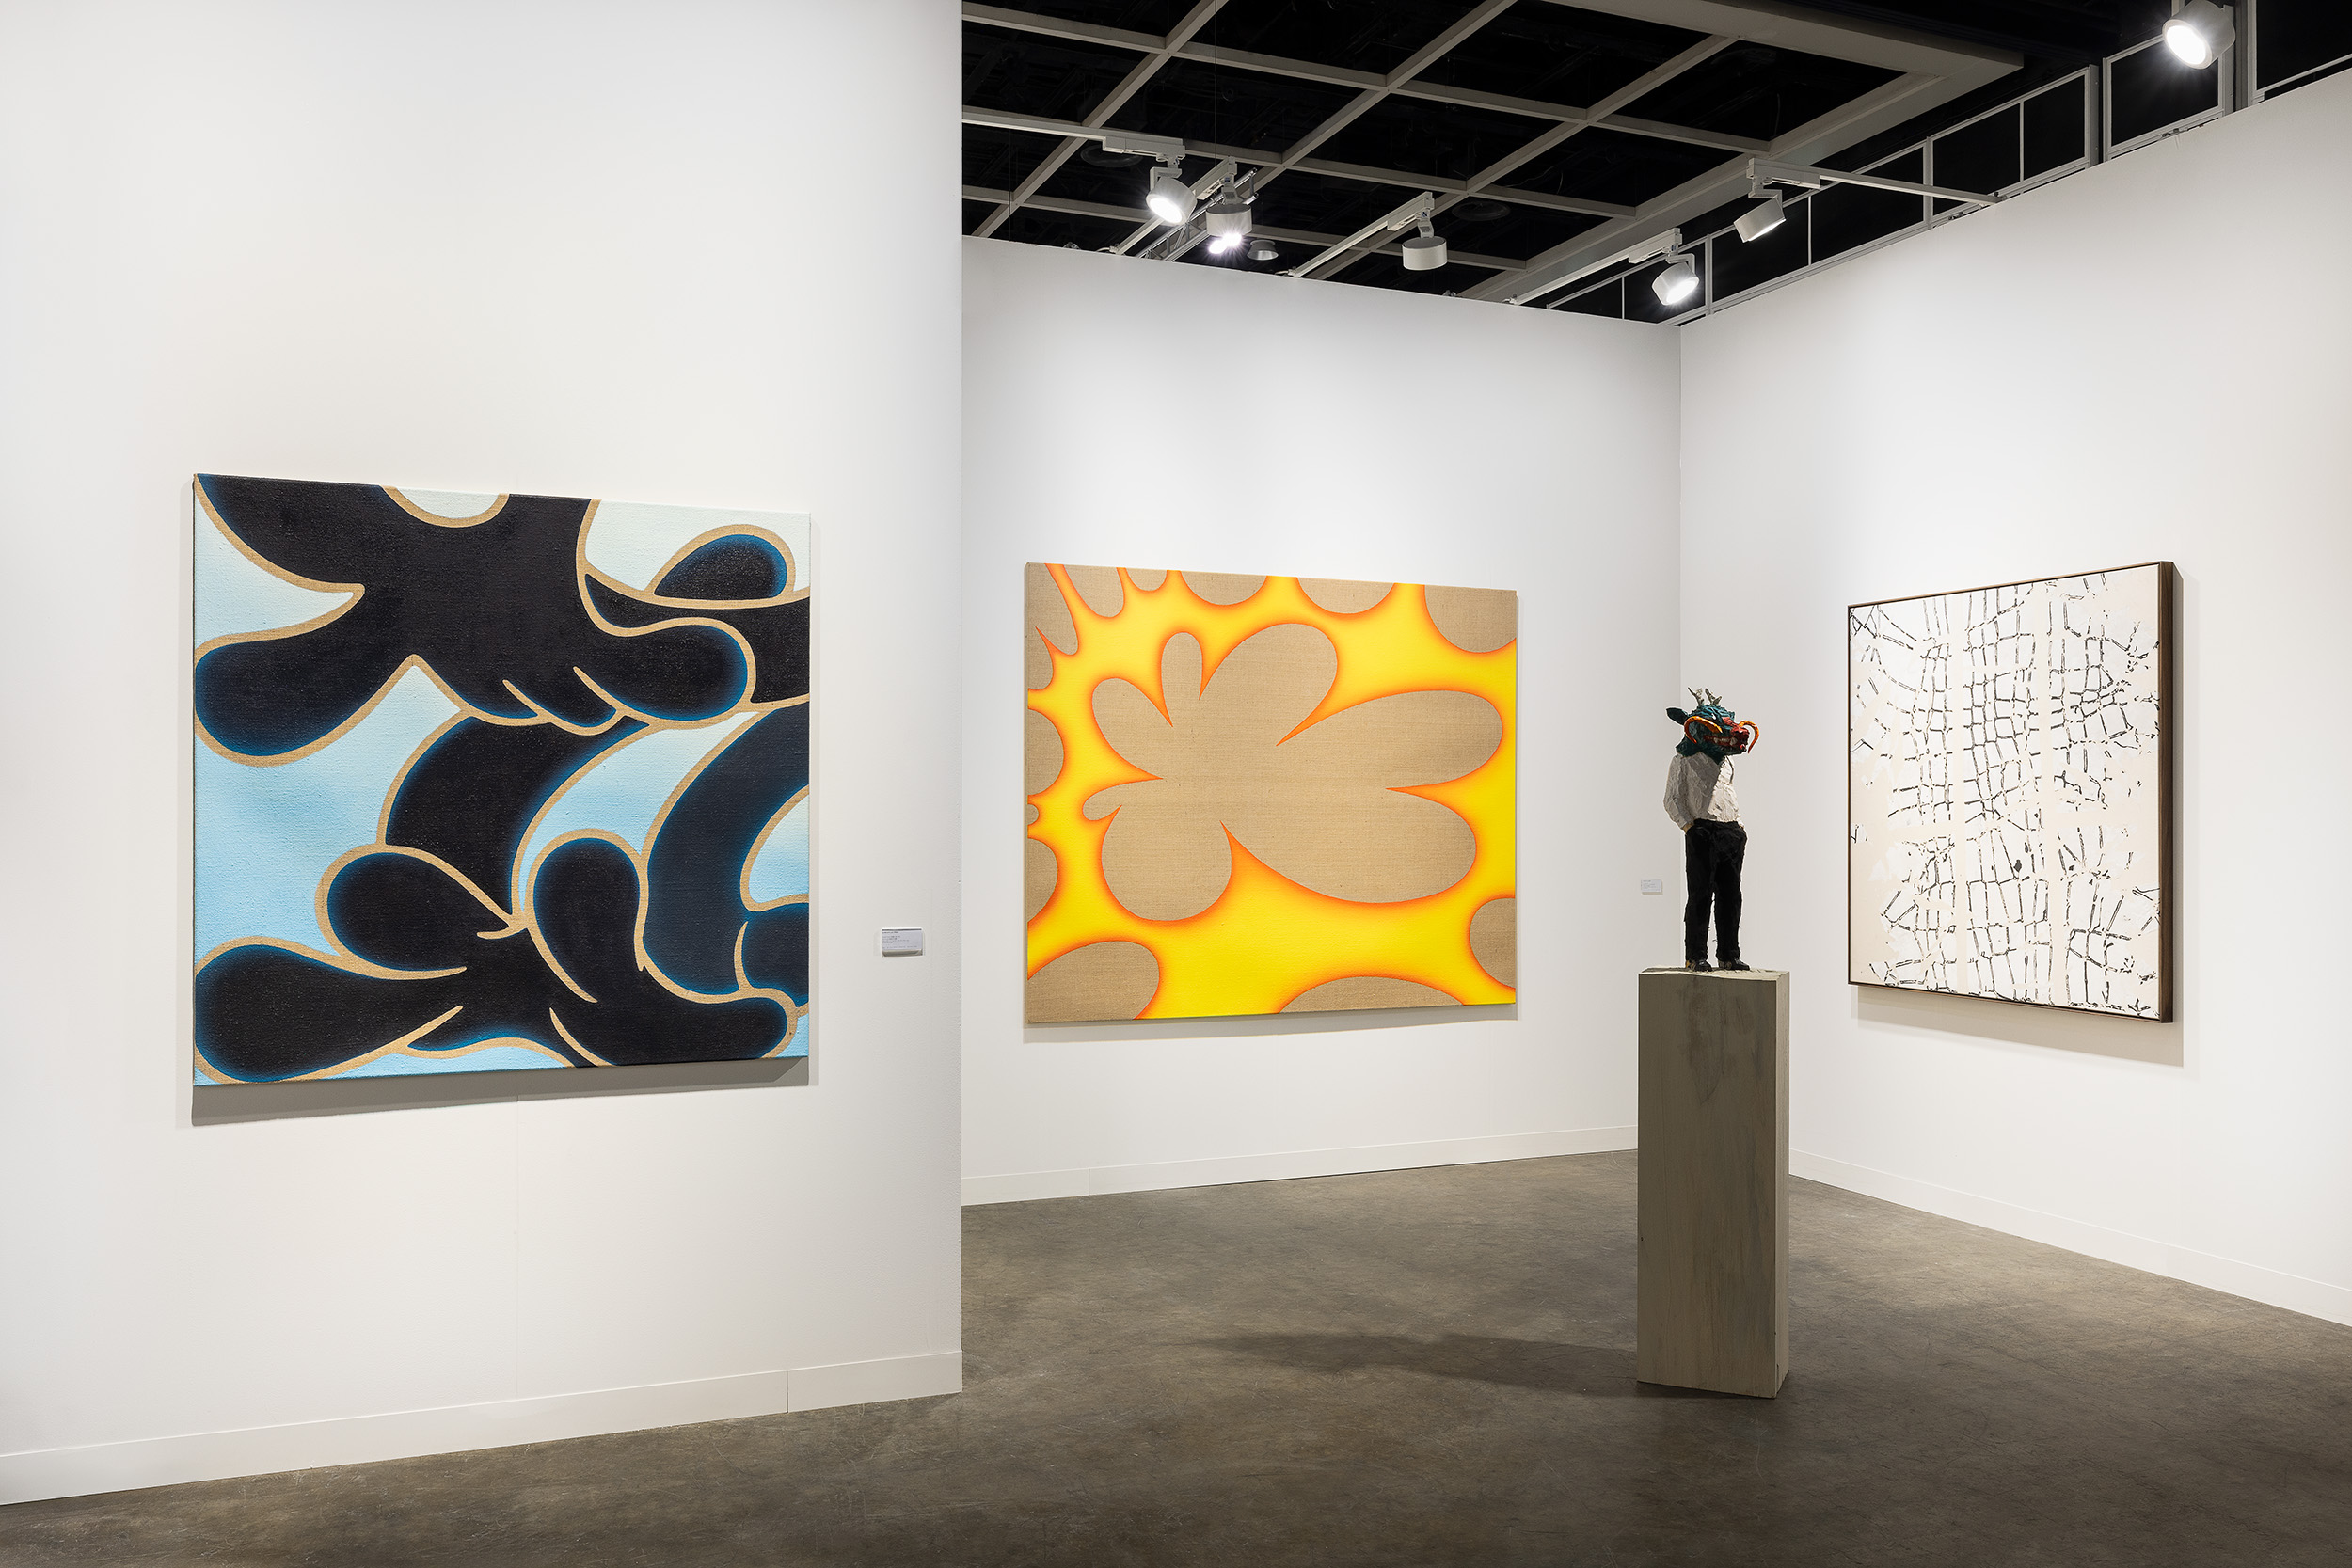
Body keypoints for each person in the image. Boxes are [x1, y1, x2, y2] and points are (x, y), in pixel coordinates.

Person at [1663, 689, 1759, 973]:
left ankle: (1729, 954)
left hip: (1731, 831)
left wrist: (1738, 824)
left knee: (1731, 895)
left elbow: (1728, 792)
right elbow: (1672, 798)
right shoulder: (1683, 761)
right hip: (1702, 830)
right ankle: (1696, 955)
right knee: (1700, 895)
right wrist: (1689, 826)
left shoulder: (1727, 762)